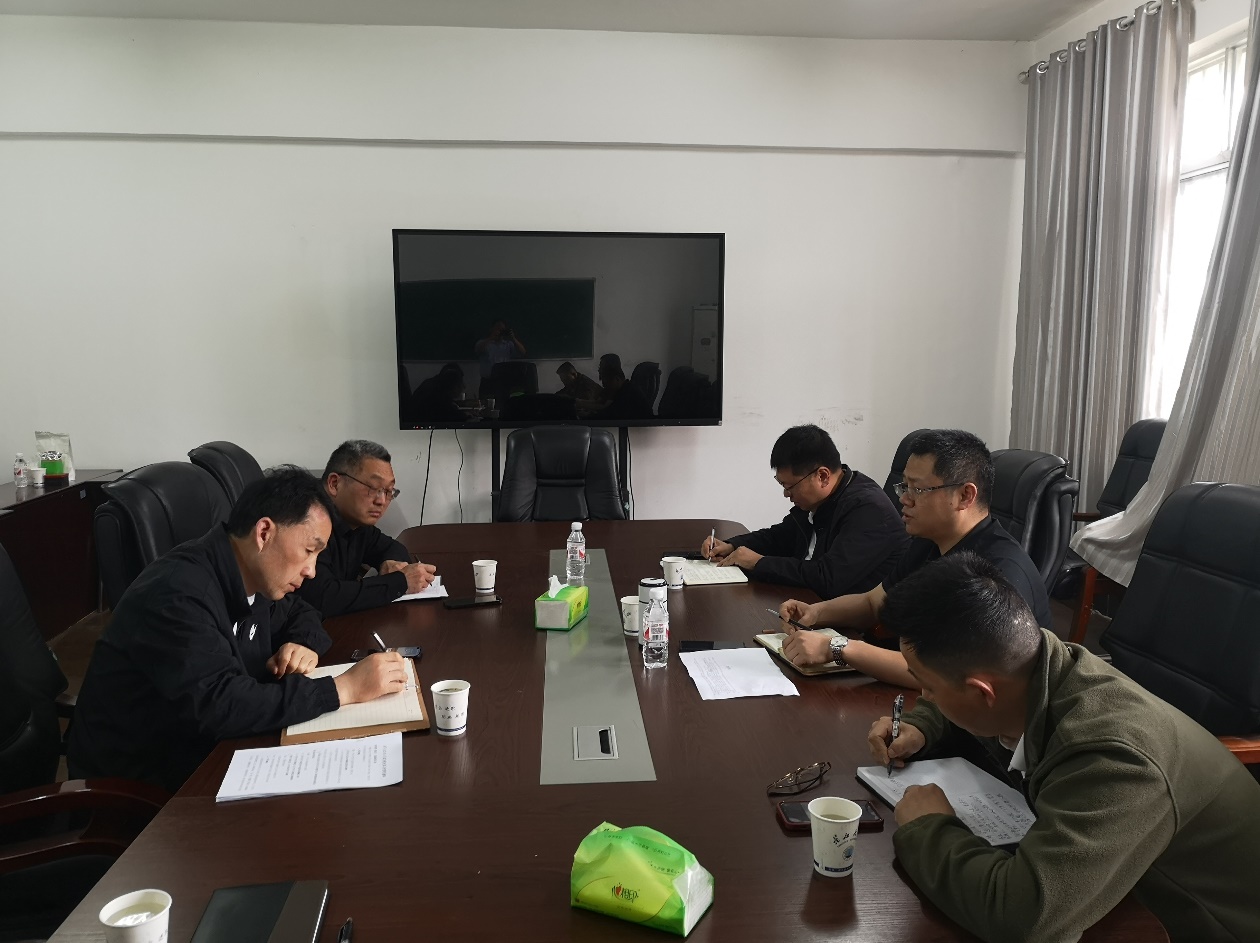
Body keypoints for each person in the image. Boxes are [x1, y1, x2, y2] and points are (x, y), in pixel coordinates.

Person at [868, 552, 1260, 943]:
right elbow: (977, 704)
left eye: (928, 687)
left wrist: (929, 827)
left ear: (982, 692)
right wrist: (921, 727)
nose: (925, 696)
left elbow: (1022, 919)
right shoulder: (1036, 665)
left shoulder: (1114, 759)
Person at [67, 467, 409, 792]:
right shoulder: (178, 594)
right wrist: (343, 689)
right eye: (309, 551)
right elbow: (222, 705)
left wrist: (302, 642)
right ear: (264, 533)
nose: (312, 571)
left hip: (211, 752)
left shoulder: (249, 573)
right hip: (148, 788)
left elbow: (302, 611)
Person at [780, 429, 1050, 687]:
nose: (904, 500)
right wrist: (816, 612)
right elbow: (874, 603)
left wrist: (839, 648)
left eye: (917, 490)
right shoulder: (929, 541)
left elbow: (944, 675)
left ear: (965, 496)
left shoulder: (997, 574)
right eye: (904, 487)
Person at [701, 424, 907, 598]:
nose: (786, 494)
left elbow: (828, 578)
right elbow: (779, 537)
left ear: (822, 476)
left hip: (852, 625)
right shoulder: (820, 500)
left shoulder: (870, 510)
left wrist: (758, 563)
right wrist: (731, 545)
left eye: (789, 486)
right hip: (807, 603)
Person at [297, 440, 437, 618]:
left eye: (389, 491)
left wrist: (389, 563)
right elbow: (322, 597)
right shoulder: (304, 516)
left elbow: (392, 547)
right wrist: (400, 582)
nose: (381, 501)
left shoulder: (354, 520)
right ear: (334, 483)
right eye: (373, 488)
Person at [475, 319, 526, 398]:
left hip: (504, 381)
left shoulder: (508, 344)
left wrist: (513, 338)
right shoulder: (483, 343)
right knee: (485, 403)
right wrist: (491, 338)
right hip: (488, 381)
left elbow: (523, 352)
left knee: (504, 403)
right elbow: (478, 350)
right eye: (497, 328)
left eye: (502, 329)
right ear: (491, 329)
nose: (500, 331)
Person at [594, 353, 653, 420]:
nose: (604, 385)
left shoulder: (626, 395)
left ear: (617, 379)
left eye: (606, 381)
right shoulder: (624, 389)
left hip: (641, 425)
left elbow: (609, 415)